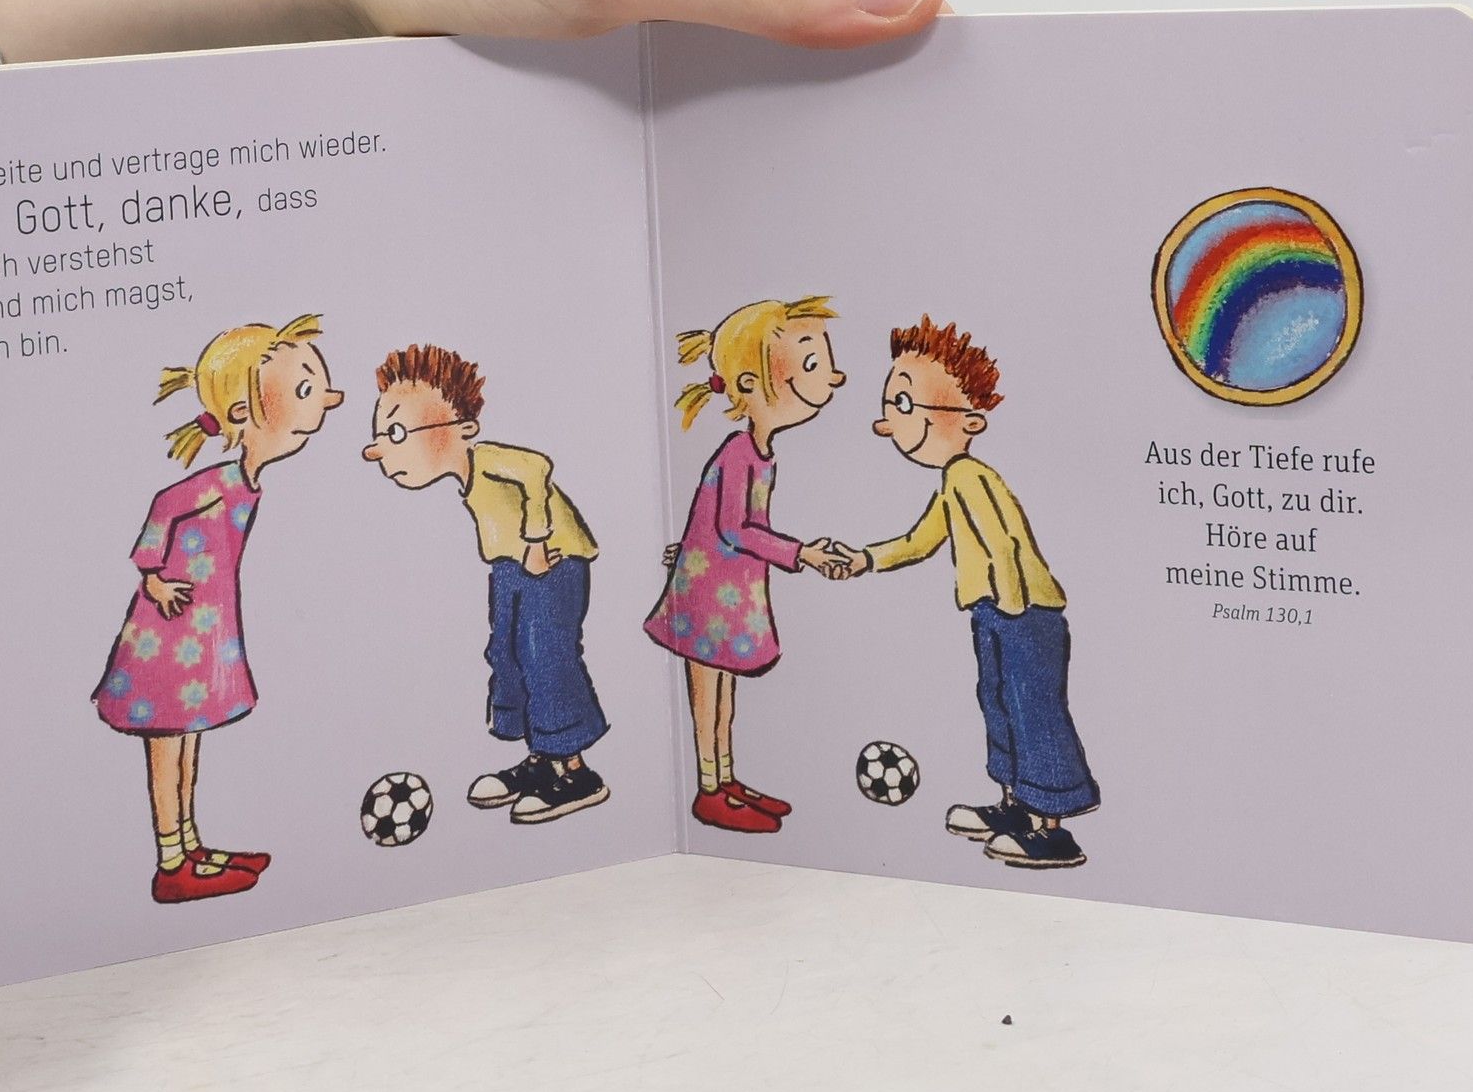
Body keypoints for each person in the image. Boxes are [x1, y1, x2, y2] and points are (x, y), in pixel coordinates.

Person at [0, 0, 946, 907]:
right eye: (323, 393)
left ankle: (524, 772)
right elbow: (167, 527)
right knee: (512, 667)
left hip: (505, 586)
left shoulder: (478, 466)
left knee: (532, 662)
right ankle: (270, 829)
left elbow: (551, 502)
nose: (346, 412)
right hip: (213, 638)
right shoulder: (236, 483)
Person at [93, 315, 343, 901]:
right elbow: (164, 505)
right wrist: (152, 575)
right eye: (304, 390)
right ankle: (170, 863)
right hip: (167, 632)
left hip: (203, 629)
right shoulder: (219, 482)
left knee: (189, 740)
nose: (326, 400)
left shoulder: (244, 481)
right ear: (242, 413)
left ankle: (190, 847)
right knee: (168, 743)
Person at [837, 316, 1101, 869]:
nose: (890, 423)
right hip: (993, 613)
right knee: (997, 702)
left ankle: (1052, 830)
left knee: (1032, 711)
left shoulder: (970, 476)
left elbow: (1004, 544)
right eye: (891, 406)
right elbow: (920, 541)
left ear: (969, 420)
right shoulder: (951, 481)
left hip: (1024, 613)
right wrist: (865, 559)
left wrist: (1010, 609)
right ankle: (1015, 807)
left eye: (905, 404)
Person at [363, 345, 609, 824]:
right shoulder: (466, 478)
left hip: (552, 562)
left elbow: (537, 469)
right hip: (511, 566)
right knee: (505, 654)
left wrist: (536, 540)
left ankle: (577, 773)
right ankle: (542, 759)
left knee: (544, 655)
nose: (380, 451)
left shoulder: (488, 457)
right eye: (380, 437)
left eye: (396, 433)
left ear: (464, 428)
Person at [643, 298, 850, 833]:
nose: (833, 377)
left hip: (727, 590)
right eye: (811, 364)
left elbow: (718, 521)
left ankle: (726, 779)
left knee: (725, 695)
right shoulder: (739, 451)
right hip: (705, 596)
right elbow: (734, 528)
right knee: (707, 697)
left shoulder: (759, 453)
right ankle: (708, 789)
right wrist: (802, 553)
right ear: (751, 384)